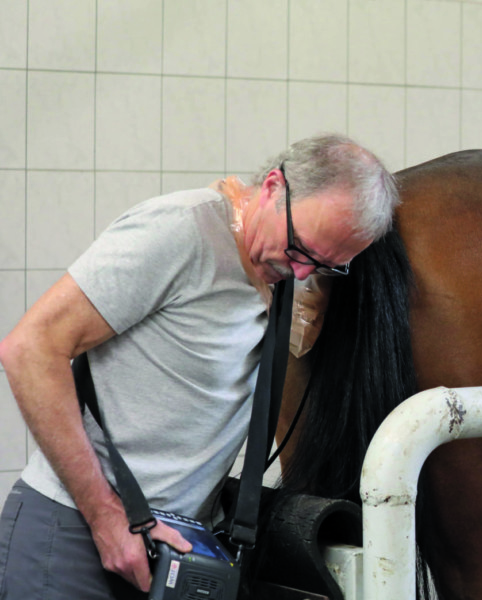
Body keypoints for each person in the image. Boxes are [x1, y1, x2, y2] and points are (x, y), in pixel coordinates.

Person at [0, 133, 397, 599]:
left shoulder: (281, 272)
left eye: (327, 265)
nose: (304, 273)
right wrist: (106, 516)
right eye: (299, 248)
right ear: (272, 187)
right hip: (76, 532)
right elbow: (29, 348)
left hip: (173, 544)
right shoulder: (178, 231)